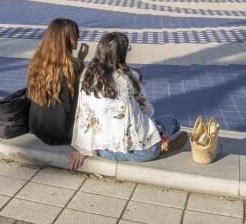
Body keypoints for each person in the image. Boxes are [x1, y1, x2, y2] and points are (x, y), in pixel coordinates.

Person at [69, 32, 187, 170]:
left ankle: (162, 142)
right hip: (142, 152)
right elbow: (148, 111)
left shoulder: (87, 75)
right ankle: (161, 144)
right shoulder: (130, 76)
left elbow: (83, 115)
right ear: (122, 53)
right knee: (171, 121)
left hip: (104, 151)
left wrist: (83, 150)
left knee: (150, 125)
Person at [27, 18, 90, 146]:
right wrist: (80, 63)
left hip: (36, 125)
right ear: (65, 38)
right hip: (61, 131)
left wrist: (79, 60)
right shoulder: (74, 66)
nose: (78, 37)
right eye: (75, 35)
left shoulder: (37, 60)